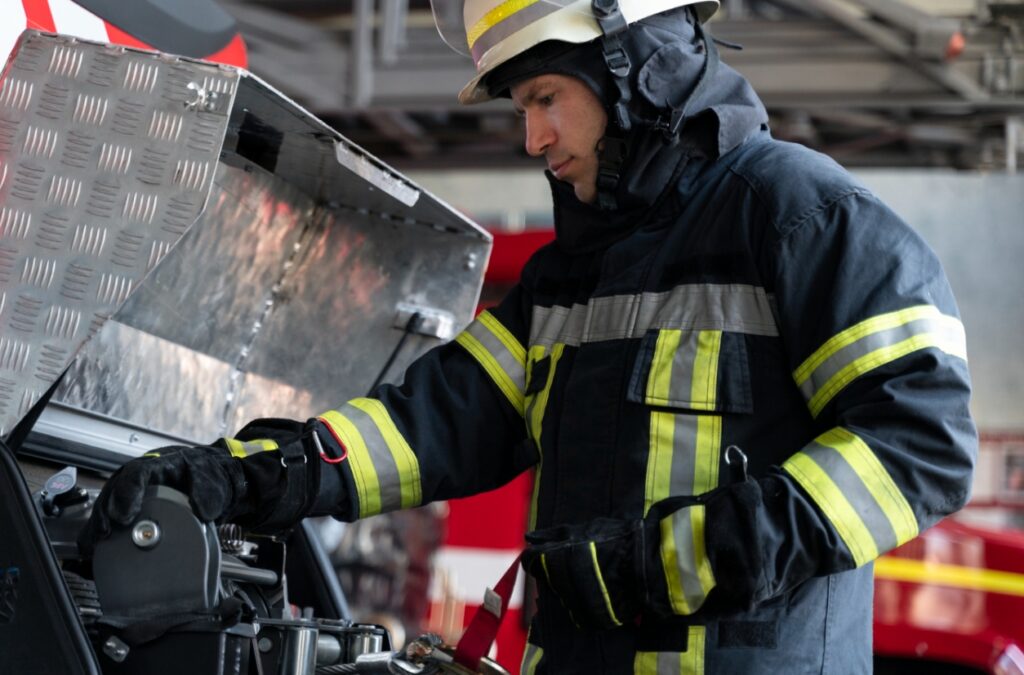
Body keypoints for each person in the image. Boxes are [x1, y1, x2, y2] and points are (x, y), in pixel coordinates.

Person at [82, 0, 978, 672]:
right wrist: (244, 475)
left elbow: (920, 443)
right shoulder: (573, 274)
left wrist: (672, 562)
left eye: (546, 96)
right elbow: (430, 421)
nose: (533, 135)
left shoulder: (802, 219)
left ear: (637, 66)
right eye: (522, 107)